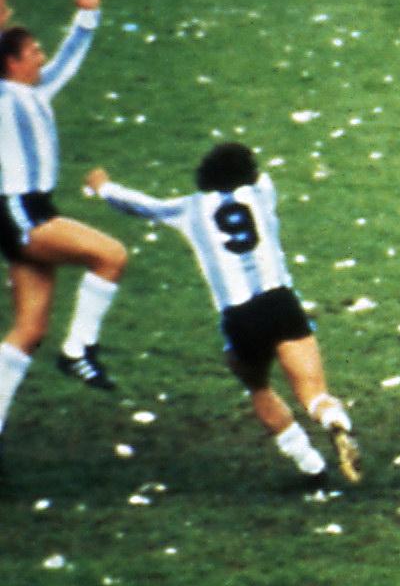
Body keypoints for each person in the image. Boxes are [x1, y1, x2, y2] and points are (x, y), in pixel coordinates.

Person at [85, 145, 358, 484]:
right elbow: (256, 176)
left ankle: (310, 464)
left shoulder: (189, 209)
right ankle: (333, 420)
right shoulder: (263, 192)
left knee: (257, 386)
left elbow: (143, 206)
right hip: (281, 303)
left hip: (240, 316)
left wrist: (104, 187)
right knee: (313, 392)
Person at [0, 0, 126, 461]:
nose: (41, 56)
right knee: (110, 255)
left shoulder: (37, 90)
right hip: (20, 211)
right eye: (33, 52)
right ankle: (78, 350)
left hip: (35, 209)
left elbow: (70, 58)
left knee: (29, 331)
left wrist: (87, 13)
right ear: (11, 63)